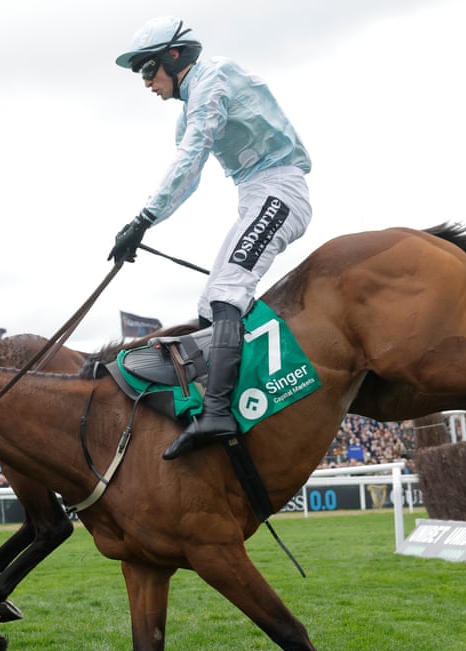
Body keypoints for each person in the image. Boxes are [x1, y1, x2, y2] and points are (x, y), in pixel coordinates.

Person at [108, 17, 313, 460]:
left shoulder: (213, 78)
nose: (146, 82)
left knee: (226, 292)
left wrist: (143, 218)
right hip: (256, 194)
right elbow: (189, 175)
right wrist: (144, 224)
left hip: (280, 189)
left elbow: (193, 153)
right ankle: (212, 403)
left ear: (174, 56)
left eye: (147, 69)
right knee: (209, 306)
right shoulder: (190, 109)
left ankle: (219, 413)